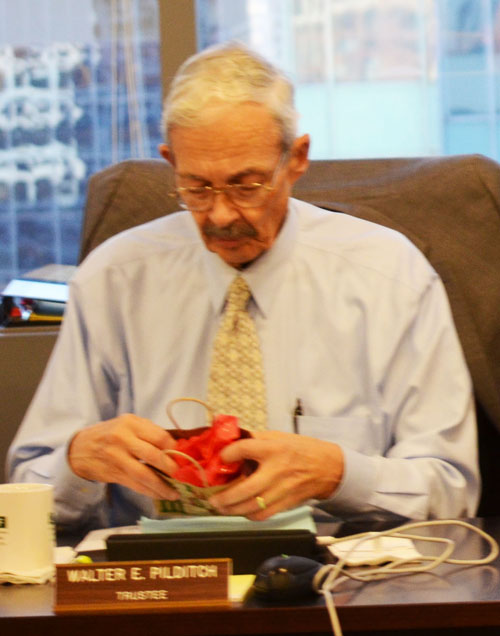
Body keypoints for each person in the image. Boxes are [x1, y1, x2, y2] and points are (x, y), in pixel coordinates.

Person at [8, 43, 479, 531]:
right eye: (196, 187)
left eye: (246, 186)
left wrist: (340, 475)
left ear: (296, 159)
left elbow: (452, 490)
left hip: (337, 580)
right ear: (171, 162)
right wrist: (78, 464)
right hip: (163, 580)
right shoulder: (114, 280)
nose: (221, 215)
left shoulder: (390, 276)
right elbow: (29, 492)